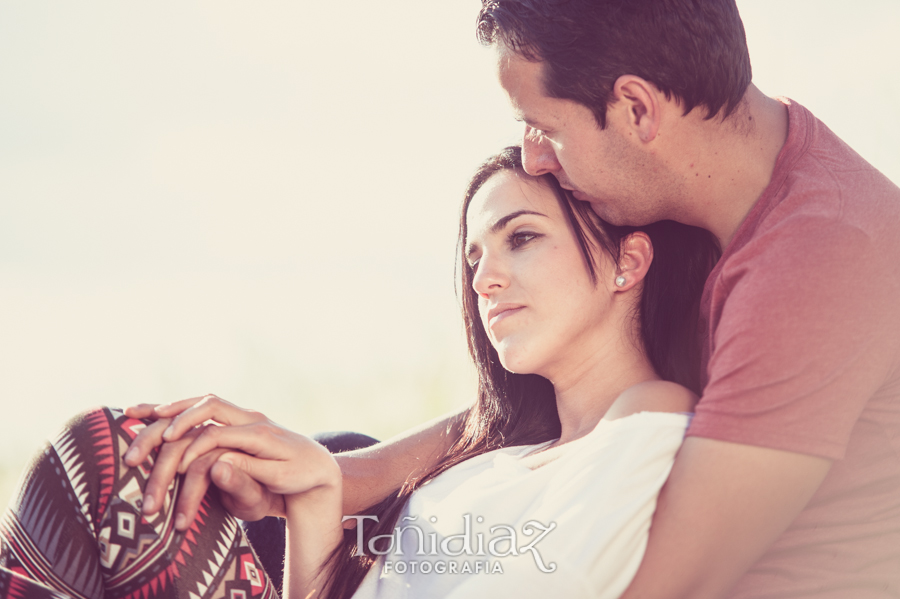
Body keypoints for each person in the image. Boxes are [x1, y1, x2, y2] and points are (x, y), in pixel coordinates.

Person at [146, 1, 899, 596]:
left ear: (638, 111)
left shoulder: (820, 263)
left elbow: (668, 585)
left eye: (543, 128)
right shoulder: (714, 205)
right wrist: (338, 478)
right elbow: (558, 402)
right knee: (224, 464)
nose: (534, 155)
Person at [0, 146, 720, 599]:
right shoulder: (497, 455)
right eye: (473, 260)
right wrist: (314, 495)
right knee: (128, 449)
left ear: (628, 262)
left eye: (521, 239)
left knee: (106, 457)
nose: (486, 280)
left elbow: (555, 580)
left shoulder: (650, 414)